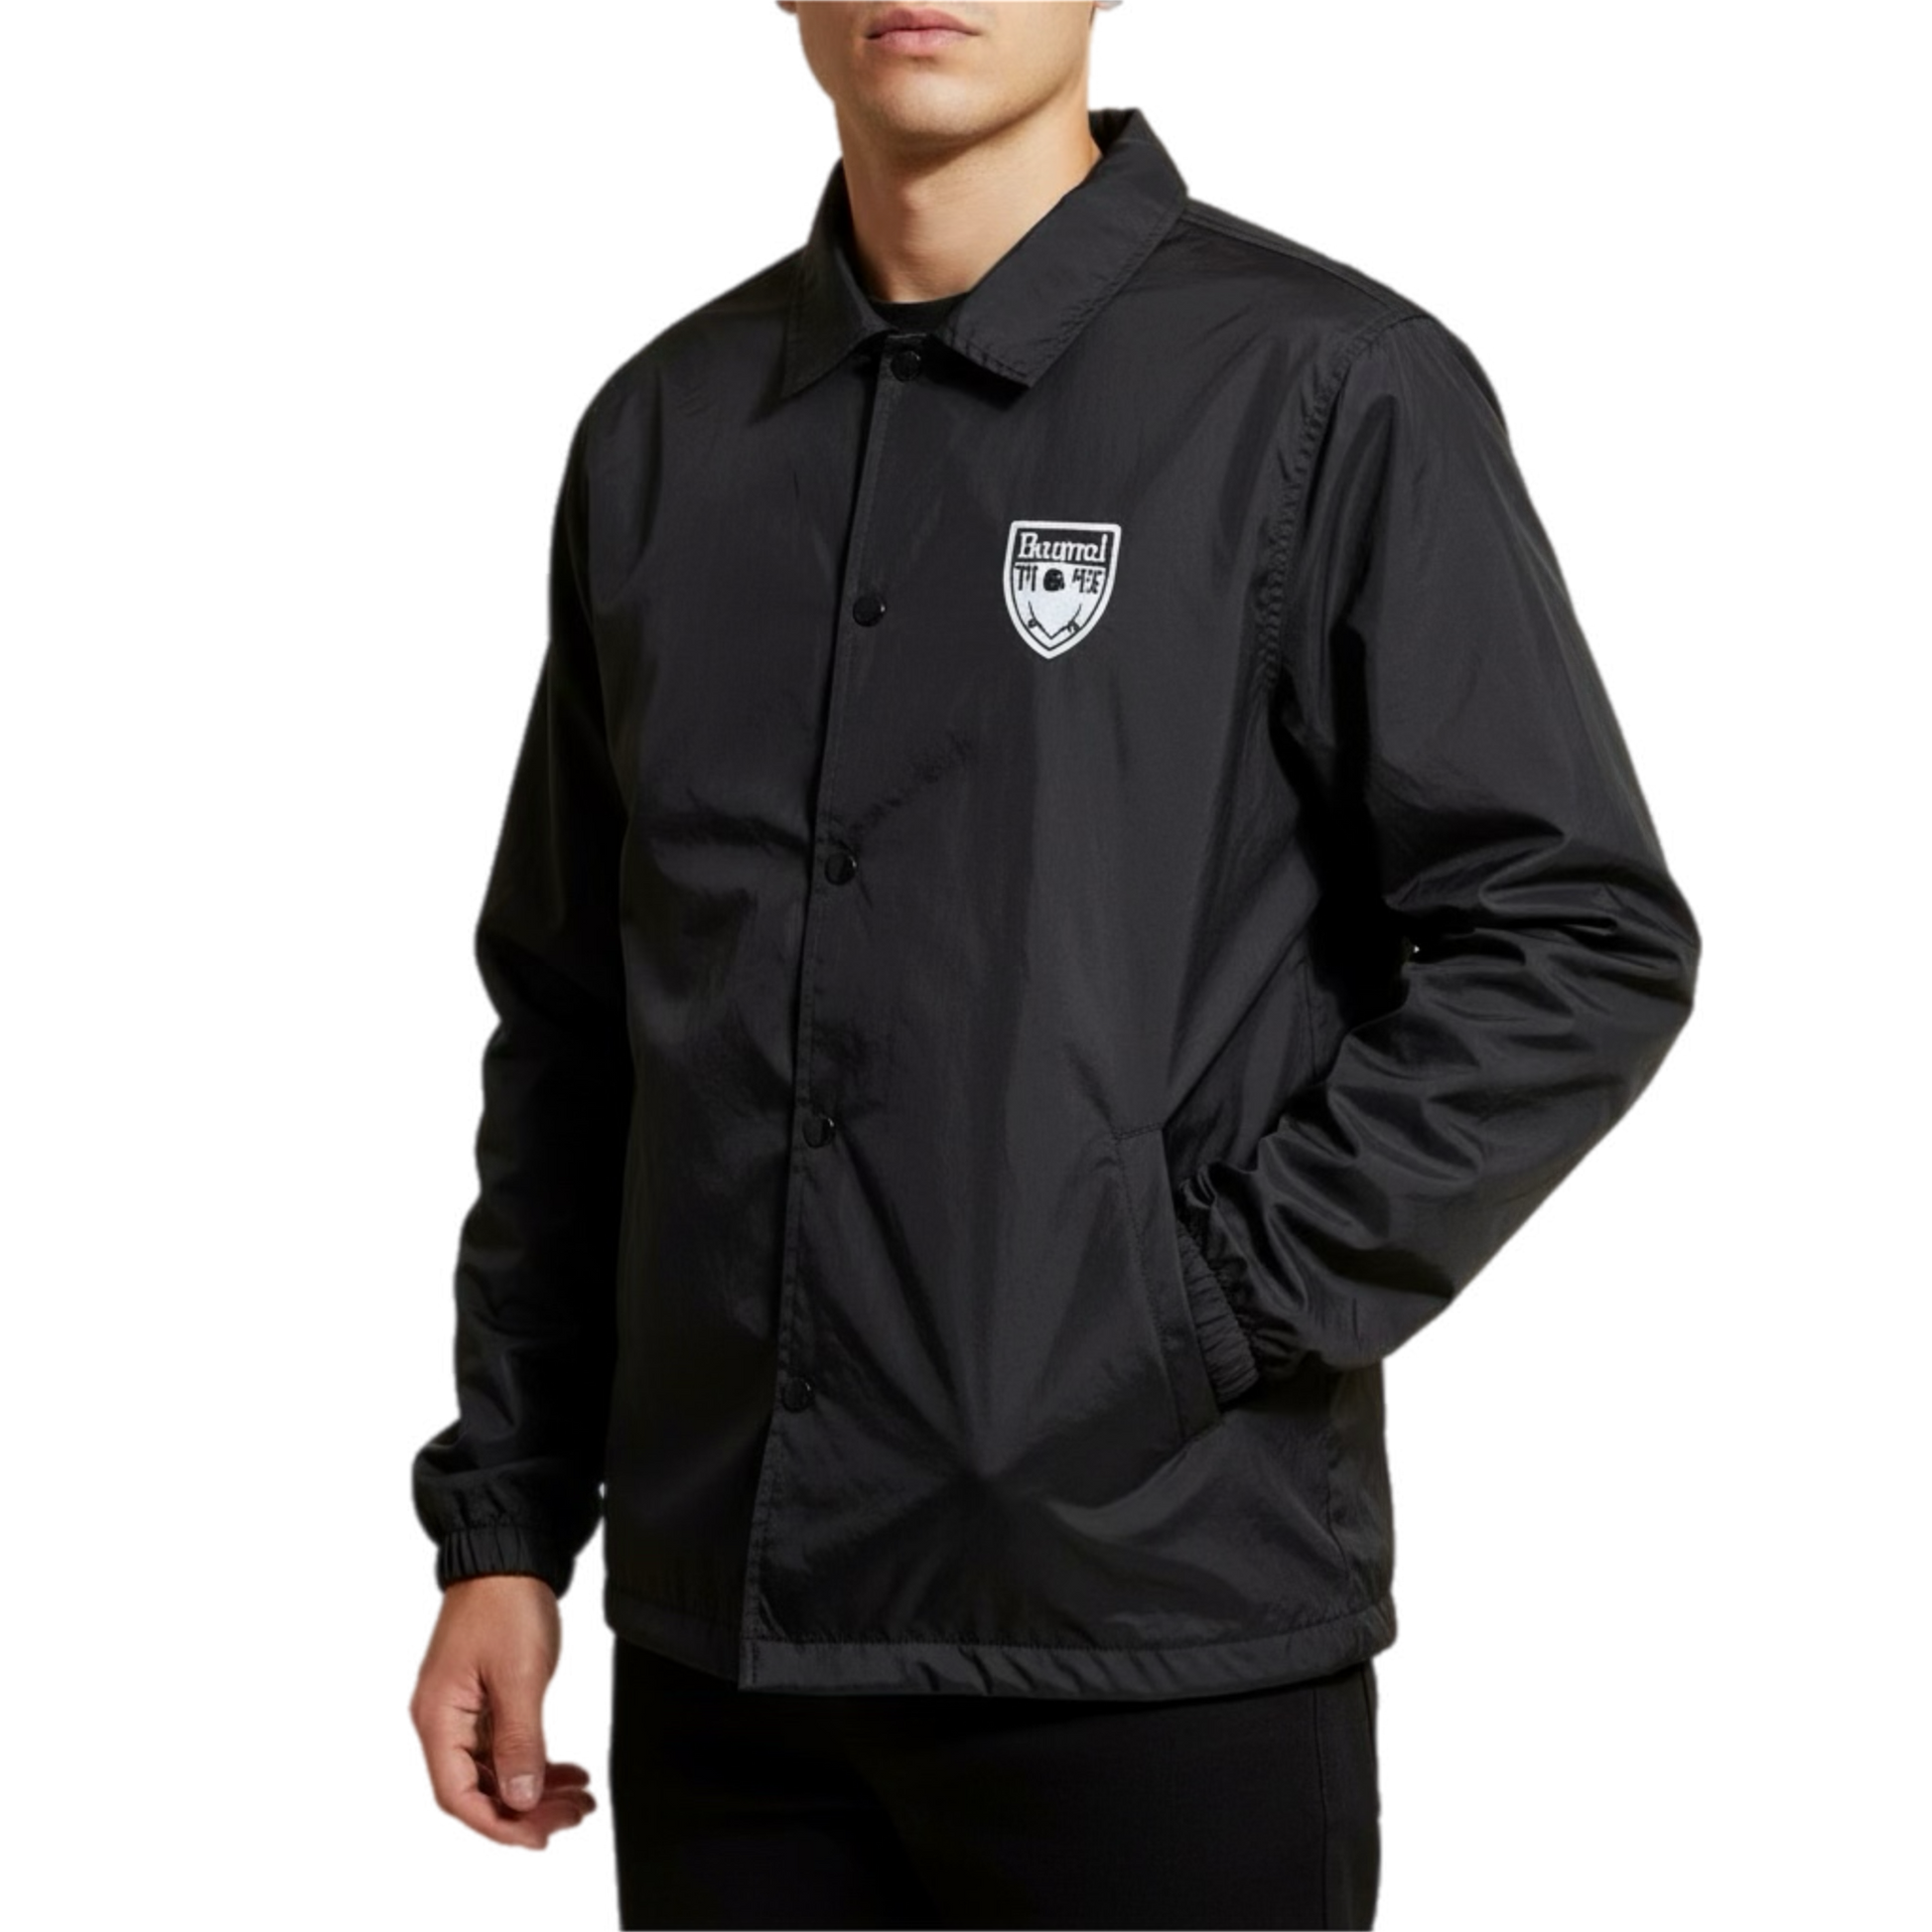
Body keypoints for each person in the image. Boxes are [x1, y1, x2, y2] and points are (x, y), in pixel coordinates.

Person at [404, 3, 1705, 1926]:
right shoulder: (662, 428)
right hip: (719, 1651)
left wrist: (1207, 1305)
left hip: (1143, 1619)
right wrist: (506, 1523)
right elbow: (569, 1021)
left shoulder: (1320, 384)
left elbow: (1576, 936)